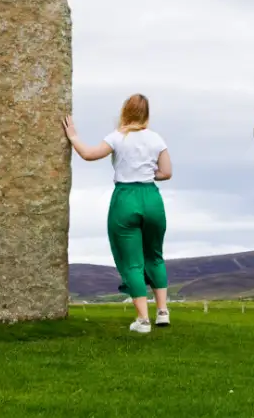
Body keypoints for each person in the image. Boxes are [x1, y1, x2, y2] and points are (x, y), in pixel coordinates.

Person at [62, 93, 172, 334]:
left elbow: (89, 154)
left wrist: (73, 137)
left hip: (125, 198)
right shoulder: (156, 139)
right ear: (146, 114)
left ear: (125, 112)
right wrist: (148, 173)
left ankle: (143, 320)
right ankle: (162, 312)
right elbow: (166, 172)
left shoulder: (117, 137)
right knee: (155, 256)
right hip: (152, 198)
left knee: (132, 262)